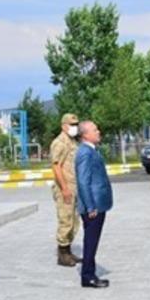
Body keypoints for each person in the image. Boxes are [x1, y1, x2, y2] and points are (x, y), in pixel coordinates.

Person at [75, 121, 113, 288]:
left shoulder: (91, 150)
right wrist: (90, 206)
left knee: (93, 240)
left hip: (97, 203)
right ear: (85, 135)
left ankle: (90, 272)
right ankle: (88, 276)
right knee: (90, 241)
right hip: (93, 206)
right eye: (95, 130)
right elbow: (83, 182)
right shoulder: (84, 152)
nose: (98, 131)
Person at [50, 113, 81, 267]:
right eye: (71, 125)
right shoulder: (59, 143)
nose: (75, 127)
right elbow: (56, 167)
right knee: (65, 220)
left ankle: (68, 251)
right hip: (65, 187)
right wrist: (64, 188)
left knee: (74, 221)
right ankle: (62, 254)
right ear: (64, 126)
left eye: (76, 124)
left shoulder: (73, 142)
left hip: (74, 186)